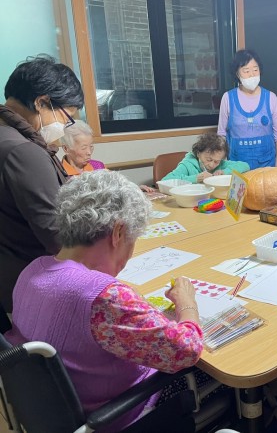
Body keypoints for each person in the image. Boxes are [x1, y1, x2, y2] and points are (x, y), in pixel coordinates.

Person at [5, 171, 210, 432]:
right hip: (115, 416)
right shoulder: (105, 297)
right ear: (118, 232)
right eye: (132, 240)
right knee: (218, 373)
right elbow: (187, 351)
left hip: (46, 412)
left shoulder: (32, 270)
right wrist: (187, 303)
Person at [0, 55, 84, 312]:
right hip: (31, 283)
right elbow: (57, 235)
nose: (64, 126)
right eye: (67, 117)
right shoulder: (23, 150)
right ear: (42, 102)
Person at [217, 49, 277, 169]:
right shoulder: (227, 98)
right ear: (237, 74)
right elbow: (221, 134)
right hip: (237, 166)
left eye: (255, 70)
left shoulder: (271, 98)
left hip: (267, 165)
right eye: (246, 71)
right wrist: (223, 166)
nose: (252, 74)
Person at [61, 120, 155, 192]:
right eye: (83, 148)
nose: (89, 152)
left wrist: (135, 189)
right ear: (66, 149)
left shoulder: (98, 166)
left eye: (91, 147)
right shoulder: (59, 173)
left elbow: (117, 185)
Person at [163, 133, 250, 183]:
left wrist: (224, 172)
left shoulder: (221, 164)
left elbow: (245, 165)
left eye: (216, 161)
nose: (212, 165)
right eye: (208, 160)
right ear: (198, 153)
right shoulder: (188, 164)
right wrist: (196, 178)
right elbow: (165, 180)